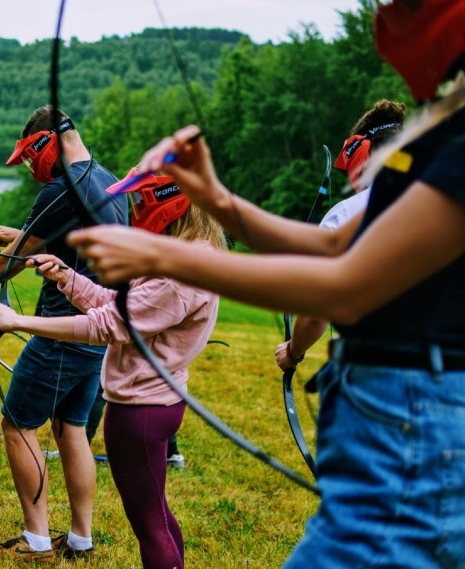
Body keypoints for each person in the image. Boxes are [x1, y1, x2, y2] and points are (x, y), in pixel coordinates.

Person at [67, 2, 465, 566]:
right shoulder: (439, 135)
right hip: (386, 412)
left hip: (414, 418)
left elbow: (343, 286)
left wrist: (166, 254)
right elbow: (332, 246)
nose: (386, 16)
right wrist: (218, 200)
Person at [0, 169, 227, 568]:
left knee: (149, 521)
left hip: (142, 411)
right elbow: (119, 306)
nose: (133, 210)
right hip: (152, 402)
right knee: (155, 513)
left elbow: (107, 326)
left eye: (139, 201)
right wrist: (66, 277)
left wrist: (20, 322)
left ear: (164, 204)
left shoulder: (179, 273)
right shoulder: (184, 256)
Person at [0, 105, 127, 562]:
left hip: (61, 328)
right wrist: (22, 235)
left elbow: (19, 259)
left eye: (28, 156)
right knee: (71, 427)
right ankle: (80, 538)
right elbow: (55, 240)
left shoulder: (60, 190)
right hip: (99, 334)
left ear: (45, 145)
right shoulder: (110, 181)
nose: (28, 168)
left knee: (18, 422)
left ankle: (37, 538)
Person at [274, 99, 407, 372]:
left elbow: (315, 313)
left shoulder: (345, 215)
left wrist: (293, 352)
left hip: (370, 376)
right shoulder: (445, 203)